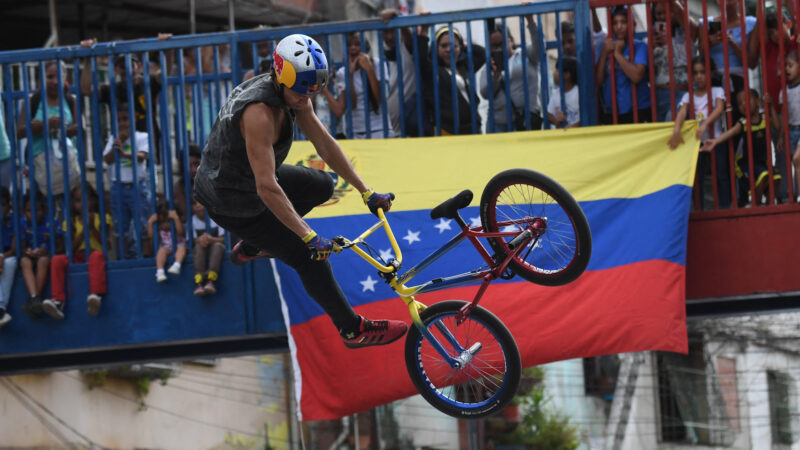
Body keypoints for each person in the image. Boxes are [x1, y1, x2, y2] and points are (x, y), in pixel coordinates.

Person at [193, 33, 408, 348]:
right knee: (310, 258)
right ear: (280, 77)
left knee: (322, 184)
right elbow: (266, 187)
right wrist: (308, 236)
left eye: (312, 88)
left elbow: (325, 145)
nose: (305, 97)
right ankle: (352, 329)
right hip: (231, 199)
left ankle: (256, 244)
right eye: (300, 89)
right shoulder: (259, 114)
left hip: (249, 178)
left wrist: (366, 191)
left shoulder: (294, 94)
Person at [80, 38, 164, 159]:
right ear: (116, 69)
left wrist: (163, 45)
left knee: (148, 175)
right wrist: (87, 56)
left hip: (148, 146)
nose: (127, 69)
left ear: (139, 66)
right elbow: (86, 90)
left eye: (130, 64)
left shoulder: (147, 83)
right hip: (121, 145)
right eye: (122, 66)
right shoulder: (111, 89)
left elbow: (166, 73)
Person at [702, 89, 781, 206]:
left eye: (747, 100)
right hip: (746, 164)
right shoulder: (743, 123)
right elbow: (730, 132)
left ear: (759, 101)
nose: (743, 104)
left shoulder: (764, 119)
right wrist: (715, 141)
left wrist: (771, 106)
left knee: (776, 178)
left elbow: (777, 125)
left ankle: (769, 205)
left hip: (763, 162)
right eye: (739, 103)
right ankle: (756, 205)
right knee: (763, 176)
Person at [669, 56, 729, 209]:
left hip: (715, 139)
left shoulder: (717, 91)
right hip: (697, 142)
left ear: (710, 73)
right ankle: (700, 209)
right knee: (698, 177)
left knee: (721, 174)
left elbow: (719, 108)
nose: (699, 76)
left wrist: (704, 124)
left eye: (703, 72)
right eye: (696, 73)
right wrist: (676, 130)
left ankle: (725, 207)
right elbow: (682, 112)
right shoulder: (688, 95)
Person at [15, 60, 81, 198]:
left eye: (59, 76)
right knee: (42, 206)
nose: (55, 82)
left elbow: (81, 127)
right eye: (50, 77)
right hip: (40, 165)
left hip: (68, 164)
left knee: (70, 207)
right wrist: (45, 125)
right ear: (41, 78)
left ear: (65, 78)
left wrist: (57, 129)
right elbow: (20, 132)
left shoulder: (71, 99)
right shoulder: (31, 100)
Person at [43, 185, 110, 319]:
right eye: (78, 201)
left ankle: (96, 296)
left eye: (86, 200)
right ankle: (58, 301)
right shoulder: (70, 222)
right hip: (76, 256)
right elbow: (71, 248)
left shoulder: (102, 217)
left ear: (93, 200)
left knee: (97, 256)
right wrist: (85, 229)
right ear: (73, 204)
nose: (83, 204)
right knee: (57, 259)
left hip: (94, 254)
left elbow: (107, 244)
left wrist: (93, 228)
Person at [103, 104, 152, 259]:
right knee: (120, 224)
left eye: (125, 119)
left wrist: (123, 153)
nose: (122, 123)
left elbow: (141, 156)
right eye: (119, 120)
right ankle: (122, 257)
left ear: (133, 120)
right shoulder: (113, 138)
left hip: (137, 185)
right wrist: (118, 144)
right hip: (118, 186)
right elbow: (107, 159)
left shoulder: (142, 136)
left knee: (143, 222)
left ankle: (146, 255)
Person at [478, 13, 542, 132]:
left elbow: (540, 48)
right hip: (498, 123)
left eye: (501, 44)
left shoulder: (526, 54)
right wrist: (495, 76)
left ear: (511, 40)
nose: (498, 49)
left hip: (525, 120)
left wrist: (530, 21)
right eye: (494, 46)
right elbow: (485, 93)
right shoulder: (489, 65)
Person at [322, 32, 392, 139]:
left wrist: (369, 70)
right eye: (349, 45)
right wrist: (349, 75)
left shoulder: (377, 64)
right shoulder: (342, 73)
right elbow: (352, 104)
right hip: (356, 132)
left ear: (366, 48)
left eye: (357, 44)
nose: (353, 48)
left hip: (381, 129)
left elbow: (380, 98)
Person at [595, 6, 652, 124]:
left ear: (633, 25)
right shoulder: (606, 47)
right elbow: (598, 81)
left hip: (638, 110)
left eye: (624, 22)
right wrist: (605, 52)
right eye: (615, 23)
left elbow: (637, 76)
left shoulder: (640, 46)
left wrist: (617, 54)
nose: (619, 27)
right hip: (612, 113)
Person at [650, 0, 698, 122]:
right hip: (658, 96)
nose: (663, 16)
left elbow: (690, 25)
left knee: (671, 131)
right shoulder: (651, 38)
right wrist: (650, 48)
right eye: (659, 13)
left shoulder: (686, 32)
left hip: (680, 94)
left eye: (667, 11)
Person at [18, 192, 53, 317]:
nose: (32, 214)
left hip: (45, 256)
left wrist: (46, 252)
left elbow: (60, 247)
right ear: (23, 211)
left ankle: (34, 300)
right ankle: (35, 298)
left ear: (43, 210)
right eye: (28, 210)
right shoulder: (22, 224)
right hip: (30, 256)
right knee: (24, 261)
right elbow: (21, 247)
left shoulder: (51, 223)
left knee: (43, 260)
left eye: (36, 210)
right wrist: (27, 252)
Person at [775, 50, 800, 200]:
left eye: (790, 65)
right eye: (785, 66)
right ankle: (796, 193)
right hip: (791, 130)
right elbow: (784, 116)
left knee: (797, 159)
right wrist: (780, 137)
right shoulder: (783, 92)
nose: (787, 69)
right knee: (795, 163)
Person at [190, 199, 225, 296]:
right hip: (202, 247)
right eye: (194, 204)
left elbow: (223, 239)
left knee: (218, 246)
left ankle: (211, 280)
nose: (198, 205)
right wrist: (200, 240)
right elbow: (190, 240)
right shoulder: (192, 220)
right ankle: (199, 282)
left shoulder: (216, 217)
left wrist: (211, 239)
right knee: (198, 247)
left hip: (215, 246)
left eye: (200, 202)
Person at [146, 199, 186, 283]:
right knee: (161, 252)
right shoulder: (159, 227)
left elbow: (180, 232)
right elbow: (151, 236)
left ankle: (177, 265)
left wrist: (175, 218)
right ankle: (160, 271)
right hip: (166, 247)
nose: (165, 224)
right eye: (162, 221)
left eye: (168, 221)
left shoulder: (176, 224)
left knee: (182, 248)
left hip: (178, 245)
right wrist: (150, 222)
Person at [0, 188, 17, 328]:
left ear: (9, 206)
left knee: (10, 263)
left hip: (6, 257)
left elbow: (13, 249)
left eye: (3, 204)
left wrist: (1, 256)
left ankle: (1, 308)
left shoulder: (13, 222)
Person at [547, 57, 580, 128]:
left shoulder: (578, 92)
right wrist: (556, 121)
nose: (554, 73)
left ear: (567, 74)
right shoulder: (556, 93)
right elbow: (549, 114)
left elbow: (585, 117)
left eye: (557, 70)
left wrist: (573, 126)